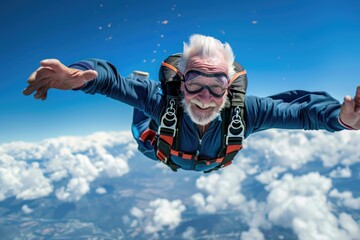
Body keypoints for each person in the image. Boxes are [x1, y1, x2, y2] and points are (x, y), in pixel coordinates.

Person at [23, 34, 360, 173]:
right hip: (152, 139)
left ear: (230, 89)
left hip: (196, 155)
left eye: (216, 87)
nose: (203, 98)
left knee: (146, 97)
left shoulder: (244, 112)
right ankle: (146, 81)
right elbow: (110, 81)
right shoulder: (164, 101)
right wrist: (81, 75)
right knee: (139, 95)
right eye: (195, 84)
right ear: (181, 83)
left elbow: (300, 112)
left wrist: (340, 118)